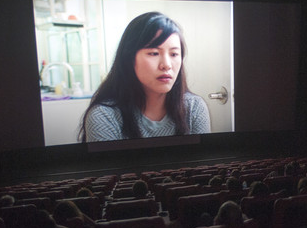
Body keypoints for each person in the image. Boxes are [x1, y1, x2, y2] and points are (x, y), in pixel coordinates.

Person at [79, 12, 211, 142]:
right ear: (129, 58)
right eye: (154, 53)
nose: (166, 65)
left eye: (174, 54)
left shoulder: (194, 107)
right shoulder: (104, 115)